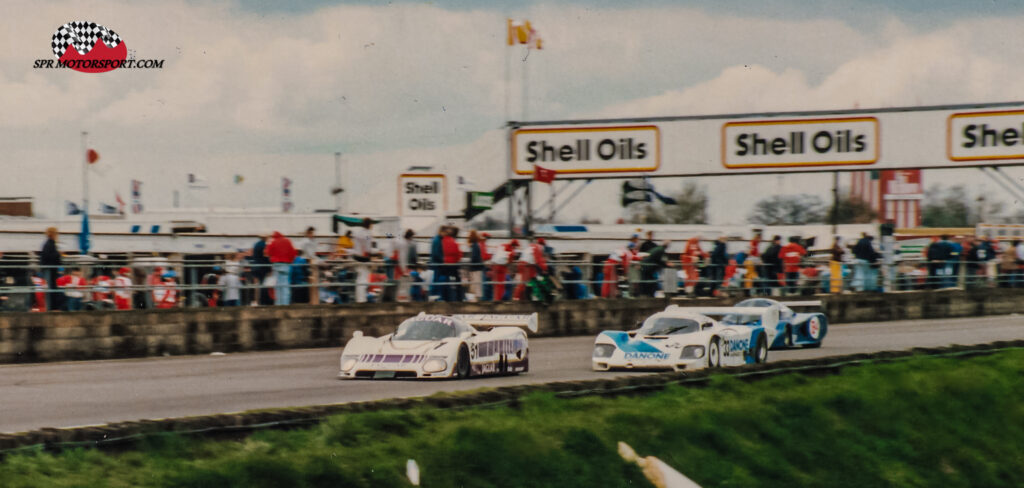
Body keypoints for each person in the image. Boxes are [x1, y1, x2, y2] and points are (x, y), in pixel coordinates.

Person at [267, 231, 297, 305]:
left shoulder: (273, 241)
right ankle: (285, 304)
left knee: (277, 287)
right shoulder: (287, 241)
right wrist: (290, 261)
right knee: (285, 286)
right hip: (286, 265)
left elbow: (268, 252)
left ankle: (278, 304)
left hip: (276, 265)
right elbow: (293, 253)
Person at [351, 218, 374, 303]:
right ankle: (362, 299)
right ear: (369, 225)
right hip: (364, 258)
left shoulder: (358, 233)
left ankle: (359, 298)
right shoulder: (368, 234)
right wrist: (370, 259)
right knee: (364, 279)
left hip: (356, 257)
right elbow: (368, 247)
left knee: (359, 278)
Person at [39, 227, 62, 311]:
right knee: (52, 288)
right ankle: (52, 307)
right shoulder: (50, 244)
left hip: (51, 270)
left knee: (53, 288)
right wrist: (58, 254)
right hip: (51, 270)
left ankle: (52, 307)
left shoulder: (48, 244)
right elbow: (49, 257)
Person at [298, 227, 321, 304]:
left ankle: (314, 300)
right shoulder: (306, 242)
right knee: (313, 281)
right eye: (312, 233)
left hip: (310, 261)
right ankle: (314, 300)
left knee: (313, 282)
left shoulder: (311, 241)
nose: (313, 235)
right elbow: (309, 254)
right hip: (310, 261)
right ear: (308, 233)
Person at [441, 226, 463, 301]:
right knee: (457, 280)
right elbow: (458, 253)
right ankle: (459, 297)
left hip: (445, 264)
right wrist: (457, 260)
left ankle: (446, 297)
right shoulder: (453, 241)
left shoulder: (443, 241)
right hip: (453, 264)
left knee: (446, 281)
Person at [251, 234, 272, 305]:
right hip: (262, 268)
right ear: (265, 237)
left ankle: (256, 301)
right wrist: (270, 267)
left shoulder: (256, 244)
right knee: (263, 284)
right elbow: (266, 257)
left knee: (257, 285)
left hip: (255, 267)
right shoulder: (263, 245)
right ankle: (263, 302)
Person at [467, 230, 485, 301]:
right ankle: (476, 299)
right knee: (476, 284)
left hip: (475, 268)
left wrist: (470, 264)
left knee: (475, 284)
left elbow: (474, 257)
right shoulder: (476, 245)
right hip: (477, 268)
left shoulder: (474, 246)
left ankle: (476, 300)